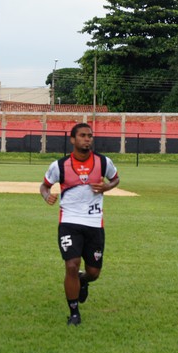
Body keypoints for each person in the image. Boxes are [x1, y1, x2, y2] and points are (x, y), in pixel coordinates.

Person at [40, 123, 119, 326]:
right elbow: (44, 186)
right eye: (83, 136)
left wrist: (106, 186)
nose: (87, 139)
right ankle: (74, 312)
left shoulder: (103, 162)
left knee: (93, 272)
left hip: (94, 223)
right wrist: (47, 196)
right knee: (72, 265)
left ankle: (83, 282)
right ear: (73, 140)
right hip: (69, 222)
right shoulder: (59, 165)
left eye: (90, 136)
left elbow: (116, 179)